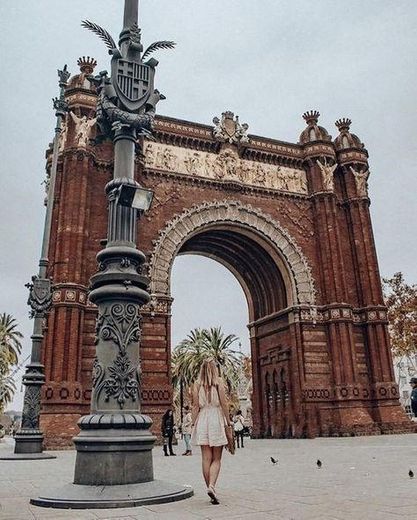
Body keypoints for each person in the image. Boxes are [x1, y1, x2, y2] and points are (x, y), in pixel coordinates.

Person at [191, 358, 231, 505]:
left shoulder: (196, 384)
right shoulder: (219, 382)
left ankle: (210, 488)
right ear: (215, 369)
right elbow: (224, 403)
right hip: (215, 418)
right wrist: (228, 421)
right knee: (217, 458)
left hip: (203, 419)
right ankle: (212, 486)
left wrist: (193, 423)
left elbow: (195, 406)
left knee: (205, 458)